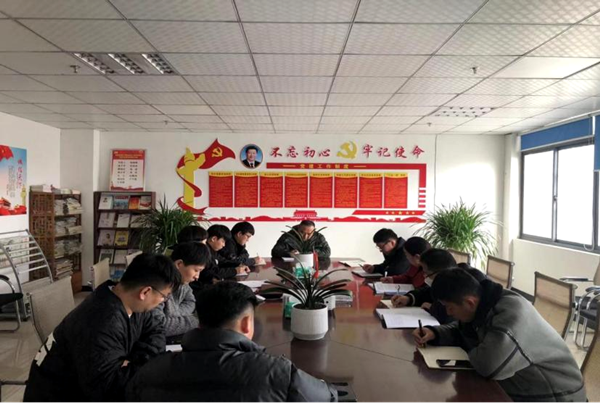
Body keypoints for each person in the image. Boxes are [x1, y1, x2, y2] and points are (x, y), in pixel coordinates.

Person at [126, 282, 338, 403]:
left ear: (200, 320)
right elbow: (327, 398)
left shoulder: (151, 370)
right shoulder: (276, 372)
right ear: (246, 323)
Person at [24, 253, 180, 403]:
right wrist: (143, 363)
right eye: (164, 296)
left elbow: (156, 329)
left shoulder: (124, 298)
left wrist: (133, 362)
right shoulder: (102, 321)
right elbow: (111, 391)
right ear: (145, 292)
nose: (163, 301)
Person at [412, 269, 586, 403]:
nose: (449, 313)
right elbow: (462, 329)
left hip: (555, 396)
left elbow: (488, 366)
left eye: (449, 307)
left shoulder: (511, 313)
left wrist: (472, 346)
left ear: (470, 302)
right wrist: (435, 332)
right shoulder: (483, 304)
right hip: (518, 387)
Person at [392, 249, 486, 324]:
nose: (424, 276)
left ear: (440, 272)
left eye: (427, 273)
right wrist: (409, 298)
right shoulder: (451, 276)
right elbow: (428, 292)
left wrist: (433, 308)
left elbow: (454, 317)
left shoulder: (466, 280)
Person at [153, 242, 211, 342]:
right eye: (196, 270)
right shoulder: (158, 285)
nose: (197, 277)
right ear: (179, 264)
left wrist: (173, 314)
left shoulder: (183, 283)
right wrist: (196, 321)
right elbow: (158, 325)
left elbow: (190, 302)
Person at [190, 225, 250, 297]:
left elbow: (223, 261)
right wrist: (235, 271)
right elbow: (212, 272)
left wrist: (237, 264)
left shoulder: (212, 251)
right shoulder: (204, 253)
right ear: (214, 239)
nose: (224, 245)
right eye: (223, 241)